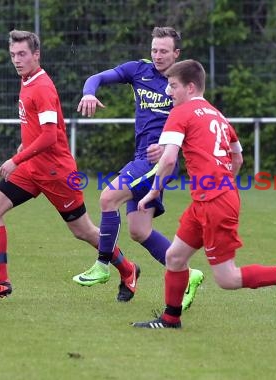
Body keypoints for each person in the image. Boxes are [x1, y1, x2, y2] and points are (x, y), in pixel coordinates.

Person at [131, 59, 276, 329]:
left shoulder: (180, 113)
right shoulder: (218, 115)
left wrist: (154, 190)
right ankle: (171, 319)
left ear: (190, 87)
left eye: (173, 86)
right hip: (209, 198)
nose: (168, 93)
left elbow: (169, 160)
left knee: (227, 278)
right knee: (174, 257)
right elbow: (237, 158)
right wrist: (220, 182)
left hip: (214, 201)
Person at [73, 27, 204, 309]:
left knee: (108, 198)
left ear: (176, 54)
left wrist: (172, 147)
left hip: (157, 162)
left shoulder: (181, 85)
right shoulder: (138, 71)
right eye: (154, 50)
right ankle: (188, 274)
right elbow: (97, 77)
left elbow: (196, 124)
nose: (157, 56)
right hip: (142, 158)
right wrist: (88, 93)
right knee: (139, 230)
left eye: (164, 51)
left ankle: (102, 265)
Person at [0, 30, 100, 297]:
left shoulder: (42, 87)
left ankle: (127, 268)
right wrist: (25, 147)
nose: (17, 60)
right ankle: (1, 282)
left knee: (83, 231)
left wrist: (16, 159)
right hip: (32, 169)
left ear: (36, 55)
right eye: (13, 55)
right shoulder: (27, 80)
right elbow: (41, 128)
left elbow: (49, 136)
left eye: (22, 54)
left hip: (56, 173)